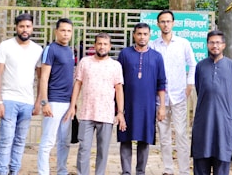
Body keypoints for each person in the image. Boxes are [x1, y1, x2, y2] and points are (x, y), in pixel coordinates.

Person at [64, 32, 126, 175]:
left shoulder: (115, 65)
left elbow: (119, 89)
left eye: (105, 44)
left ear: (109, 46)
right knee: (84, 149)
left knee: (103, 150)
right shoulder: (85, 62)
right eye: (99, 43)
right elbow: (78, 84)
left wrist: (120, 112)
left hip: (106, 114)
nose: (102, 46)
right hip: (86, 113)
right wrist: (72, 106)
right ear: (94, 45)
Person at [0, 12, 43, 175]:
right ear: (16, 27)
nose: (25, 29)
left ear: (32, 28)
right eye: (21, 26)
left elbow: (41, 78)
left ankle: (14, 171)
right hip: (8, 100)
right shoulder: (5, 46)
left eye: (28, 26)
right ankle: (2, 172)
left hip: (27, 102)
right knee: (6, 140)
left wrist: (38, 102)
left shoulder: (38, 50)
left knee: (20, 140)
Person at [150, 9, 196, 175]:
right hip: (160, 98)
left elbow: (192, 64)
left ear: (173, 23)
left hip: (179, 96)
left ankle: (184, 170)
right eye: (162, 21)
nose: (166, 24)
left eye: (168, 21)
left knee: (182, 134)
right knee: (164, 135)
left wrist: (190, 83)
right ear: (158, 24)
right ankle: (168, 169)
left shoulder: (183, 43)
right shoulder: (153, 45)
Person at [191, 29, 232, 175]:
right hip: (204, 120)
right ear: (207, 45)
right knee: (201, 159)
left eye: (218, 43)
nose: (215, 46)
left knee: (222, 160)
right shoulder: (200, 66)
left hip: (224, 121)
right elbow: (199, 89)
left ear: (224, 45)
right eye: (212, 42)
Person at [118, 23, 167, 175]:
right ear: (134, 35)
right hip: (128, 103)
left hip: (148, 104)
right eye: (139, 34)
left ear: (149, 35)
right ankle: (126, 171)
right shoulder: (125, 54)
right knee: (125, 137)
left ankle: (141, 171)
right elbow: (118, 81)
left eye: (145, 34)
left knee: (144, 138)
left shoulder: (157, 57)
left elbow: (161, 83)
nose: (142, 37)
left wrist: (162, 106)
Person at [37, 18, 75, 175]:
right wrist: (44, 102)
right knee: (48, 142)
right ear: (56, 32)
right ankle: (43, 172)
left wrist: (73, 104)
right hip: (53, 101)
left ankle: (62, 171)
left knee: (64, 142)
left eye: (69, 31)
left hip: (67, 103)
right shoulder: (50, 49)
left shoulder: (70, 51)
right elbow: (43, 77)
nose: (66, 34)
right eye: (63, 30)